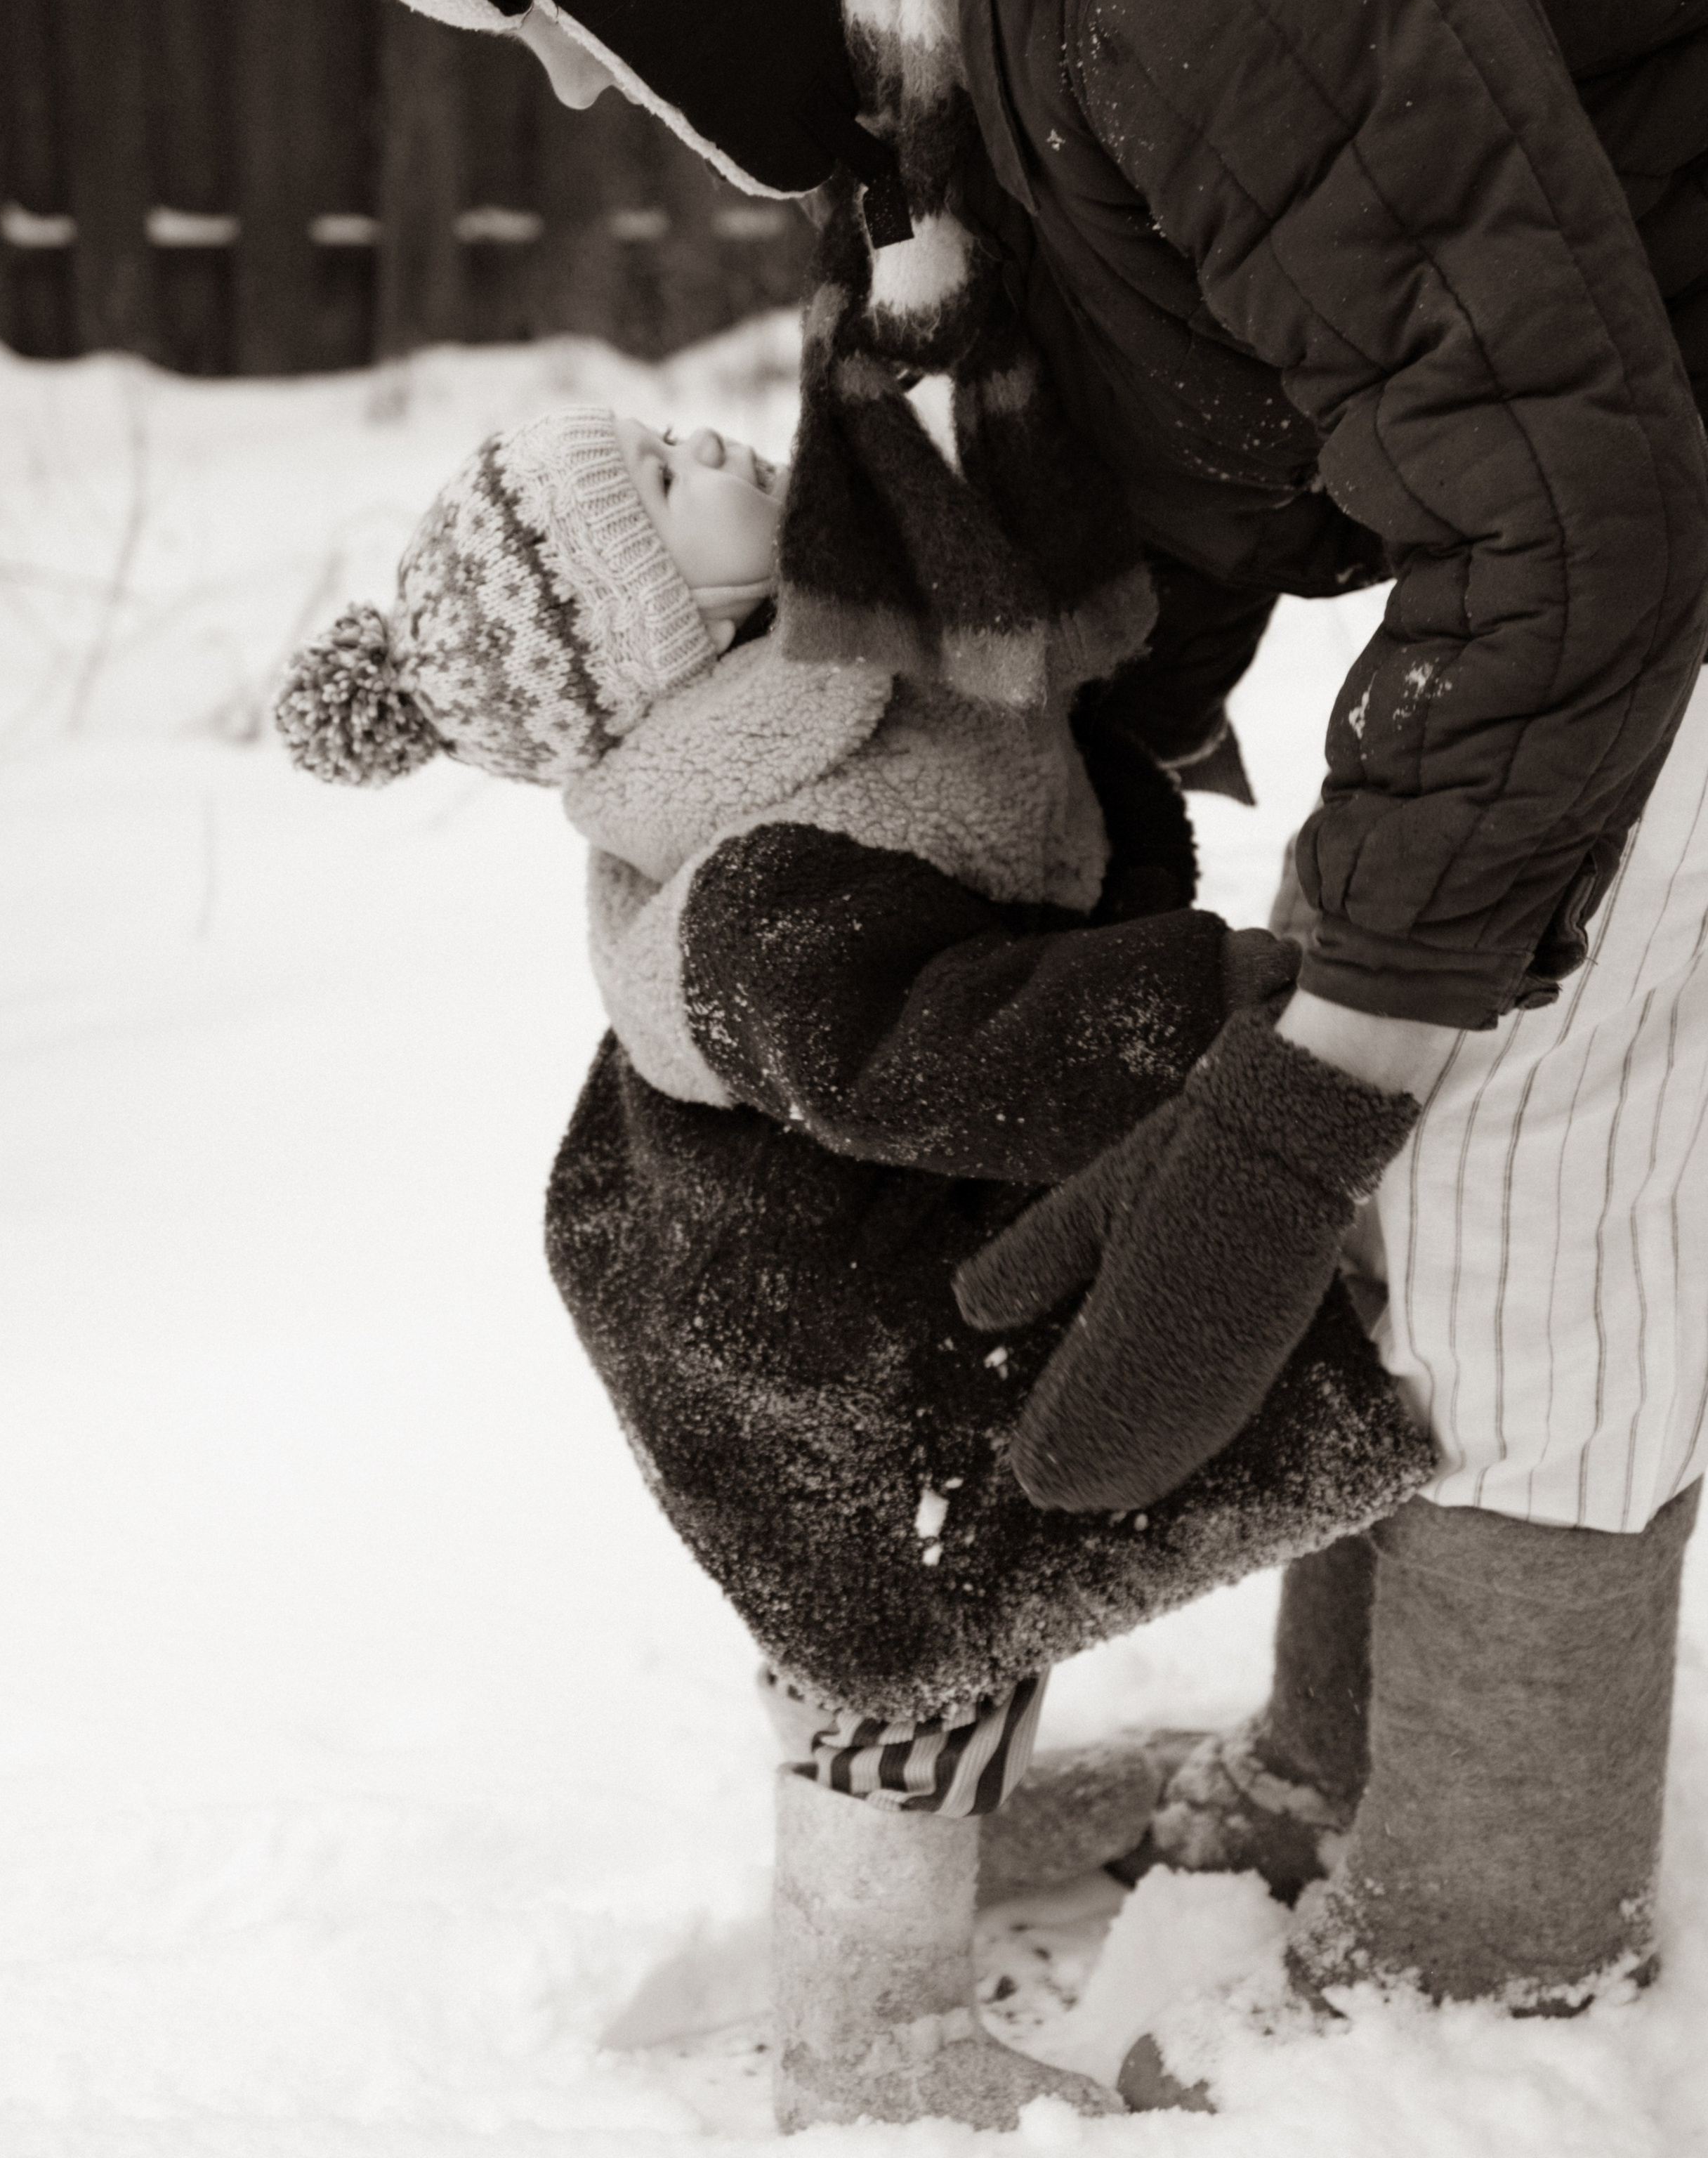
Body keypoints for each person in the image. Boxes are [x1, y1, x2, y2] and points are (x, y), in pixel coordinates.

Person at [281, 0, 1708, 2103]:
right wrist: (1091, 845)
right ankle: (1337, 1784)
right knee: (1439, 1060)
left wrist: (1297, 1102)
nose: (589, 84)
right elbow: (1166, 389)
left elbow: (1570, 527)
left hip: (1644, 478)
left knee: (1523, 1152)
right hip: (1607, 429)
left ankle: (1487, 1972)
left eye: (556, 22)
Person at [272, 403, 1428, 2128]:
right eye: (664, 491)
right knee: (907, 1639)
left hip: (878, 1252)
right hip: (823, 1330)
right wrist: (1228, 1005)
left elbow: (1015, 797)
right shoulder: (752, 876)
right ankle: (868, 2034)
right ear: (663, 636)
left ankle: (956, 1855)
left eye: (663, 438)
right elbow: (938, 1044)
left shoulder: (803, 688)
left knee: (946, 1620)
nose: (706, 447)